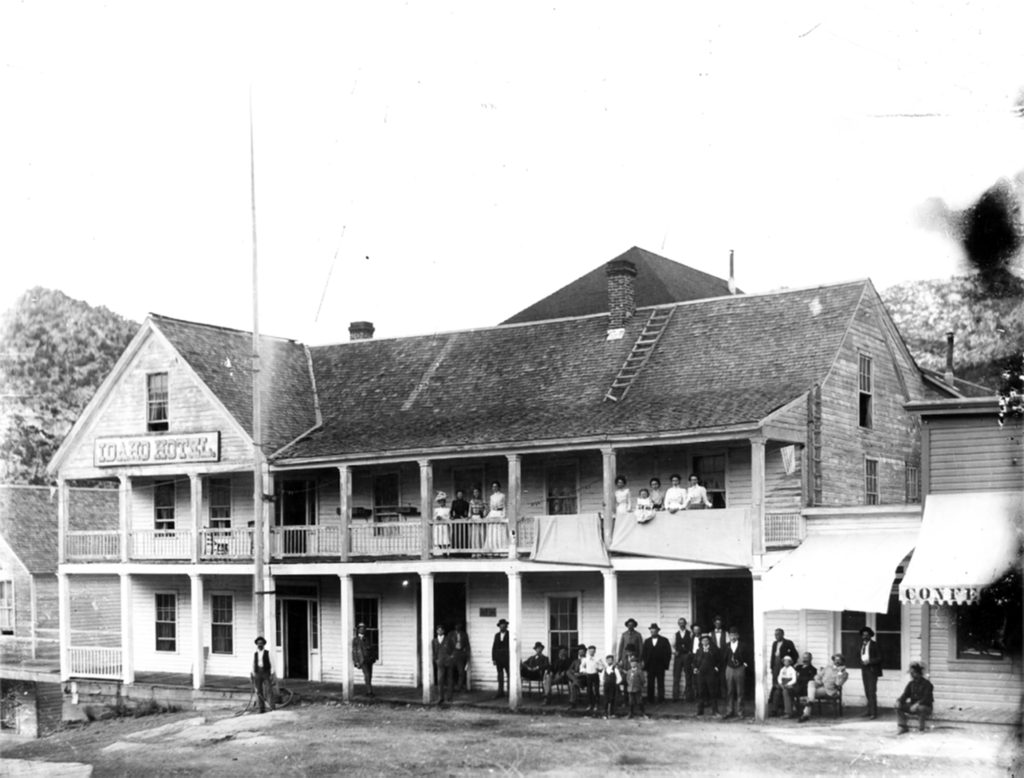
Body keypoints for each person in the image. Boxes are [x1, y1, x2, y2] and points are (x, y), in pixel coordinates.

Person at [799, 653, 848, 723]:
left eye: (839, 660)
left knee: (811, 694)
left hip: (830, 690)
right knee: (810, 682)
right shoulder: (828, 668)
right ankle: (810, 702)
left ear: (842, 661)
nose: (836, 662)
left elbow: (838, 683)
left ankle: (806, 714)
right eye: (835, 659)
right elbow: (817, 676)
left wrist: (839, 673)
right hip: (821, 686)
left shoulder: (844, 673)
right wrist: (820, 682)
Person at [895, 661, 934, 734]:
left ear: (918, 673)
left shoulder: (927, 684)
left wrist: (917, 704)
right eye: (911, 673)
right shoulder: (911, 684)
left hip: (926, 707)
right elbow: (905, 695)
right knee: (898, 706)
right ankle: (902, 726)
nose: (912, 675)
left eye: (913, 673)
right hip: (913, 706)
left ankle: (921, 729)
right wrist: (899, 701)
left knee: (921, 708)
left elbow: (927, 698)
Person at [769, 628, 800, 716]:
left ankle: (784, 708)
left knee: (784, 687)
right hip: (776, 666)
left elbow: (795, 655)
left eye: (778, 634)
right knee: (776, 686)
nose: (777, 636)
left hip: (783, 665)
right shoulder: (774, 643)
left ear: (783, 634)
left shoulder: (788, 643)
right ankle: (775, 708)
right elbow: (772, 656)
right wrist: (772, 667)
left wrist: (789, 664)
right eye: (775, 634)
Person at [722, 626, 750, 719]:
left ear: (738, 636)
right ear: (729, 636)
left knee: (740, 691)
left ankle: (740, 712)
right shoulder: (726, 645)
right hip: (729, 668)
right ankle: (729, 711)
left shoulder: (743, 645)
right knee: (729, 691)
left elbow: (748, 657)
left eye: (734, 635)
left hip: (739, 668)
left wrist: (745, 664)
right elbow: (723, 658)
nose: (733, 637)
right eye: (731, 635)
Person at [642, 623, 672, 703]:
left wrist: (665, 664)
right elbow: (644, 653)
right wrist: (645, 663)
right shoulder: (647, 641)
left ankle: (661, 699)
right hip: (650, 665)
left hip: (660, 665)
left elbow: (668, 653)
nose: (653, 633)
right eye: (651, 631)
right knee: (650, 682)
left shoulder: (664, 640)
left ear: (658, 631)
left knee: (660, 682)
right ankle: (650, 699)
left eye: (654, 631)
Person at [692, 635, 720, 717]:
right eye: (703, 641)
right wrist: (695, 668)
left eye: (706, 640)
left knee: (712, 692)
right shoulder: (699, 651)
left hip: (710, 674)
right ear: (701, 642)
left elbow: (719, 660)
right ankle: (700, 711)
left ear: (709, 642)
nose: (705, 642)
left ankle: (715, 711)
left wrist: (716, 668)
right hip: (701, 674)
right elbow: (694, 662)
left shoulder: (714, 650)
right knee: (701, 692)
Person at [859, 626, 883, 719]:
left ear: (870, 636)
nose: (865, 636)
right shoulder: (861, 645)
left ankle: (873, 713)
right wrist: (861, 661)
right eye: (863, 635)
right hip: (864, 670)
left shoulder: (875, 645)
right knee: (867, 691)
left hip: (872, 670)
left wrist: (870, 661)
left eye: (867, 635)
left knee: (872, 691)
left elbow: (880, 658)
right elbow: (859, 655)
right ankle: (869, 711)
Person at [784, 652, 817, 719]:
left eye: (807, 658)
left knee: (788, 690)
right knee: (785, 690)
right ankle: (789, 712)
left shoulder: (813, 669)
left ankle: (793, 710)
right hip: (795, 685)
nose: (805, 659)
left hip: (803, 688)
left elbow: (809, 680)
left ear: (811, 659)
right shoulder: (798, 667)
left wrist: (798, 677)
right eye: (804, 657)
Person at [671, 617, 693, 702]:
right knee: (676, 676)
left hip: (687, 656)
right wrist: (674, 652)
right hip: (678, 656)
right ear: (678, 624)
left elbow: (692, 644)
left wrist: (690, 652)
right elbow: (672, 645)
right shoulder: (675, 634)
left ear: (685, 624)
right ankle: (675, 697)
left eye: (683, 623)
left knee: (688, 676)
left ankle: (688, 697)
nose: (681, 624)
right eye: (680, 623)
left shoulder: (690, 633)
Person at [352, 622, 377, 697]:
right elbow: (354, 651)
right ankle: (369, 691)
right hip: (362, 660)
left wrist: (373, 657)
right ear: (358, 629)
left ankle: (369, 691)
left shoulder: (367, 639)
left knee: (370, 675)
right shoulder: (356, 640)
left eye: (364, 628)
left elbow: (372, 649)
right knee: (367, 674)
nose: (362, 630)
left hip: (369, 660)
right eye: (361, 628)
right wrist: (356, 661)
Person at [252, 636, 274, 713]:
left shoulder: (268, 653)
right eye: (258, 643)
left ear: (264, 644)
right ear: (257, 644)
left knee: (268, 689)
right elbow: (253, 663)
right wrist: (252, 673)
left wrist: (272, 674)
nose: (260, 645)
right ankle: (261, 708)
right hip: (258, 672)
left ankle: (271, 707)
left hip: (266, 672)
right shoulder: (255, 653)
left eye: (261, 643)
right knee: (259, 691)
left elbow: (272, 663)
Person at [446, 622, 471, 692]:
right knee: (450, 672)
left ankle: (459, 687)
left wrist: (466, 654)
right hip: (453, 654)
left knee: (461, 672)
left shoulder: (464, 634)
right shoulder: (450, 634)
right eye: (457, 625)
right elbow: (447, 645)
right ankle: (451, 687)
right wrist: (449, 655)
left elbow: (467, 645)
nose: (458, 626)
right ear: (455, 626)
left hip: (460, 654)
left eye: (459, 625)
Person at [432, 625, 454, 702]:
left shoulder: (448, 639)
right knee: (440, 679)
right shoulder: (434, 641)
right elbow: (434, 652)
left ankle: (449, 697)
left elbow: (453, 649)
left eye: (441, 630)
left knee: (449, 679)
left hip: (448, 661)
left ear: (443, 631)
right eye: (438, 630)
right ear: (436, 631)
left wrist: (451, 657)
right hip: (440, 662)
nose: (439, 631)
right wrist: (436, 660)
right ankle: (441, 697)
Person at [485, 480, 506, 552]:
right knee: (492, 531)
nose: (494, 488)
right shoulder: (491, 497)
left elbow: (504, 506)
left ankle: (501, 548)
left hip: (499, 513)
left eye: (496, 486)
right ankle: (491, 548)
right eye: (493, 487)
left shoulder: (502, 495)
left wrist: (504, 514)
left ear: (499, 487)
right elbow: (491, 507)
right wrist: (488, 515)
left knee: (500, 531)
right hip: (493, 513)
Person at [492, 618, 510, 698]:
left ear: (506, 626)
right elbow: (494, 647)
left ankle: (510, 692)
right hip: (498, 659)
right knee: (500, 676)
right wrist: (494, 658)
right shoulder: (497, 635)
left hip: (507, 658)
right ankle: (500, 692)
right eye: (501, 625)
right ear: (499, 626)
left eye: (504, 625)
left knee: (509, 675)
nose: (502, 627)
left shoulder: (510, 634)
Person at [581, 645, 603, 712]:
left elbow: (601, 668)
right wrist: (584, 671)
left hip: (595, 675)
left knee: (596, 690)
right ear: (588, 651)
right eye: (590, 651)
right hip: (588, 676)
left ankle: (597, 704)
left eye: (593, 651)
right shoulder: (585, 659)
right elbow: (582, 667)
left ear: (595, 652)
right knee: (589, 690)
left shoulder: (598, 659)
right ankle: (590, 704)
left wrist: (599, 669)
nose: (591, 652)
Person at [685, 624, 703, 701]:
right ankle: (690, 697)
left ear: (700, 630)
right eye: (694, 629)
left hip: (700, 657)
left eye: (697, 629)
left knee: (699, 677)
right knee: (689, 677)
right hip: (691, 657)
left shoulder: (703, 638)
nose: (696, 631)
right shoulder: (691, 638)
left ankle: (700, 697)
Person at [602, 653, 622, 718]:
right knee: (605, 699)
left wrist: (616, 683)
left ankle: (612, 713)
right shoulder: (605, 669)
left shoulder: (615, 669)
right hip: (606, 685)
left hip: (613, 686)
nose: (609, 661)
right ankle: (605, 713)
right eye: (608, 660)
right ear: (606, 661)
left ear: (612, 661)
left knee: (612, 699)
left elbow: (619, 678)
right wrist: (603, 682)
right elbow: (601, 677)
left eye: (610, 660)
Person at [468, 487, 487, 552]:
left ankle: (481, 551)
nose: (476, 493)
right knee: (474, 534)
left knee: (480, 533)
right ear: (473, 493)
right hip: (473, 517)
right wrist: (470, 517)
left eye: (477, 492)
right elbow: (469, 510)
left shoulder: (482, 501)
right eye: (474, 492)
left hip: (479, 517)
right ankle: (474, 551)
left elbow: (485, 509)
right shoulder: (471, 501)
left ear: (479, 493)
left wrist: (483, 515)